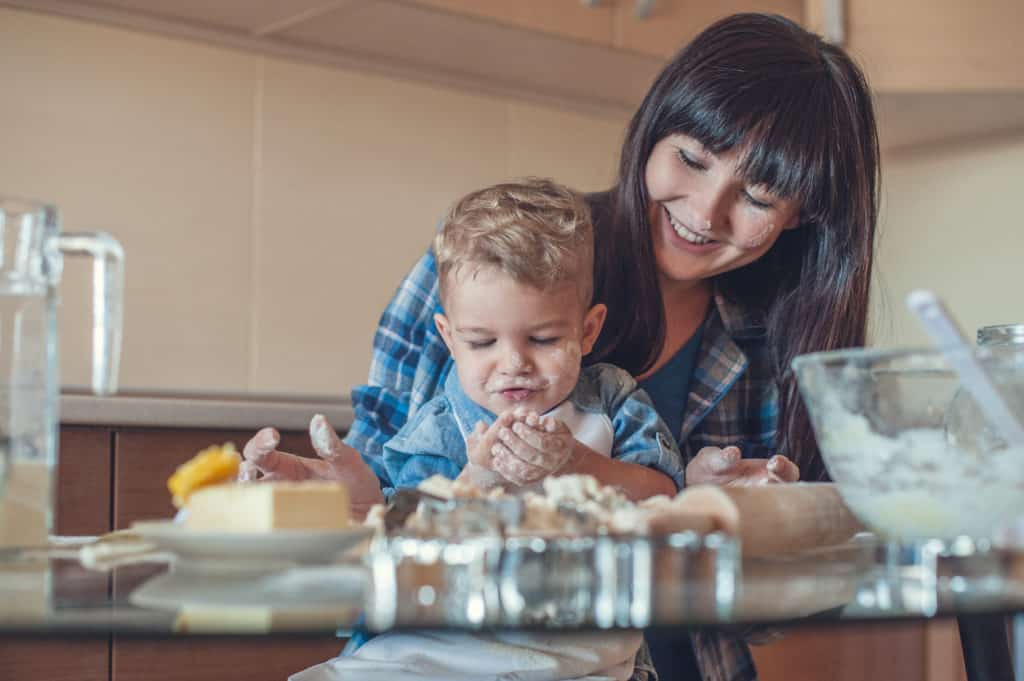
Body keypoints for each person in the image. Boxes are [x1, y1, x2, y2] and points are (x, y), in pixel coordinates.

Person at [240, 12, 880, 681]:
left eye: (755, 195)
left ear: (804, 211)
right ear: (653, 129)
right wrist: (342, 502)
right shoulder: (490, 259)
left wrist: (746, 525)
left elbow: (783, 599)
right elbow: (383, 511)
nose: (705, 211)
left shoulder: (774, 338)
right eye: (690, 159)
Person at [293, 177, 682, 681]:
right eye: (481, 343)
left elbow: (665, 497)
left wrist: (577, 463)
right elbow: (411, 558)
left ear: (587, 330)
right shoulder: (436, 429)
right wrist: (477, 479)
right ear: (448, 338)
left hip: (583, 647)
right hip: (450, 648)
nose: (513, 363)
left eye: (543, 338)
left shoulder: (612, 400)